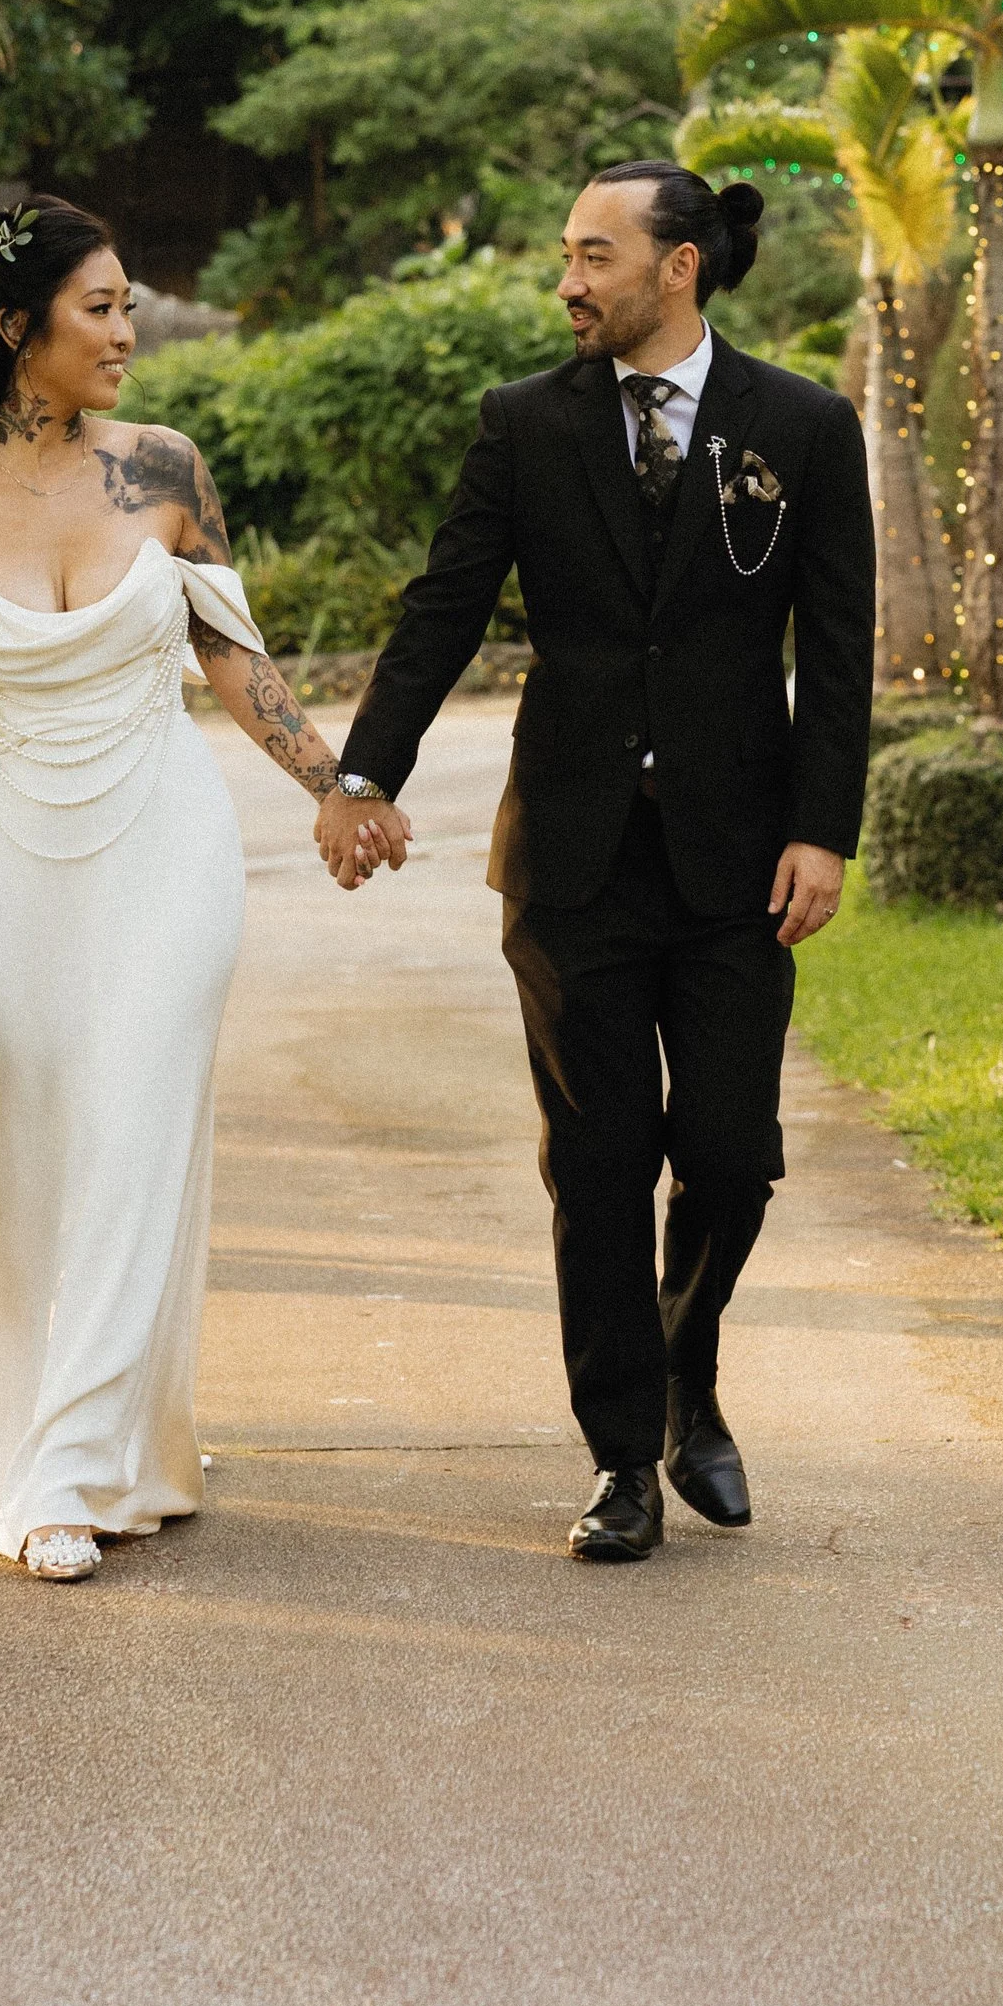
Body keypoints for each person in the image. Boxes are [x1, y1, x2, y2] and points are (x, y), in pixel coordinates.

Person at [0, 195, 408, 1583]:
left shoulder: (166, 469)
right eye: (99, 307)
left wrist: (334, 782)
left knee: (140, 1117)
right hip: (12, 858)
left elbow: (235, 657)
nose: (127, 330)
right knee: (22, 1149)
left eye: (129, 305)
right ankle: (12, 1432)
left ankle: (76, 1472)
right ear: (18, 324)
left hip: (167, 837)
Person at [335, 160, 875, 1562]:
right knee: (599, 1158)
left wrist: (824, 826)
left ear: (677, 264)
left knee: (733, 1154)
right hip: (570, 858)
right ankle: (625, 1455)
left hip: (738, 858)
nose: (569, 281)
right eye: (566, 256)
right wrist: (361, 771)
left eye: (594, 253)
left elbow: (842, 639)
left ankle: (690, 1371)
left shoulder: (804, 426)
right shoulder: (523, 425)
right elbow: (444, 604)